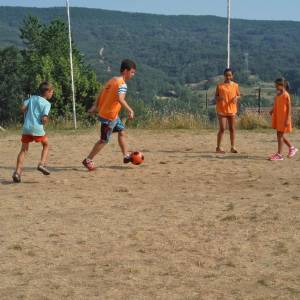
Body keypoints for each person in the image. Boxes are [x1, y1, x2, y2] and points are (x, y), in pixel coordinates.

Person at [82, 59, 136, 171]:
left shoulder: (113, 80)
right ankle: (88, 160)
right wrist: (130, 110)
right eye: (132, 72)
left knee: (122, 131)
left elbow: (101, 92)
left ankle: (126, 156)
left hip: (112, 115)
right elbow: (121, 99)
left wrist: (95, 106)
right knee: (103, 140)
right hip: (109, 116)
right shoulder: (122, 84)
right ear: (125, 71)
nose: (133, 75)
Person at [12, 81, 53, 183]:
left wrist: (28, 108)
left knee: (24, 150)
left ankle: (17, 172)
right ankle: (41, 164)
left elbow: (22, 109)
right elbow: (44, 118)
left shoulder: (32, 98)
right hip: (37, 128)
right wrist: (45, 121)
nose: (52, 94)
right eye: (52, 92)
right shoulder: (47, 104)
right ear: (47, 92)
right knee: (46, 145)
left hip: (26, 128)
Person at [269, 78, 298, 161]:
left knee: (280, 135)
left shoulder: (286, 95)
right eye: (275, 85)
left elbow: (289, 108)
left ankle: (279, 155)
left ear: (282, 85)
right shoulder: (278, 95)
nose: (276, 87)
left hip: (284, 118)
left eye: (277, 85)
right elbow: (276, 104)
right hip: (278, 117)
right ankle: (291, 148)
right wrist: (272, 110)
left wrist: (288, 119)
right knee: (279, 135)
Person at [215, 68, 241, 154]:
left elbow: (238, 95)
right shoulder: (220, 86)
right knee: (222, 128)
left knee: (232, 129)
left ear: (232, 76)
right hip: (222, 110)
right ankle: (218, 147)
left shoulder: (235, 85)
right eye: (226, 75)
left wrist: (236, 98)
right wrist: (219, 98)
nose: (228, 77)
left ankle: (233, 147)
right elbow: (216, 97)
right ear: (224, 75)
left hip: (232, 110)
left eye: (229, 75)